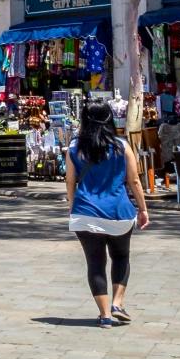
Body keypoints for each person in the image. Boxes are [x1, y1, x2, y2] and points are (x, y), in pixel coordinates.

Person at [64, 100, 149, 328]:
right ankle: (117, 304)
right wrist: (143, 209)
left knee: (95, 262)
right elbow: (134, 180)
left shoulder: (74, 148)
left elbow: (70, 181)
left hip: (85, 212)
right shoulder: (122, 146)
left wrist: (72, 205)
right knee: (121, 257)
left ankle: (104, 315)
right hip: (118, 212)